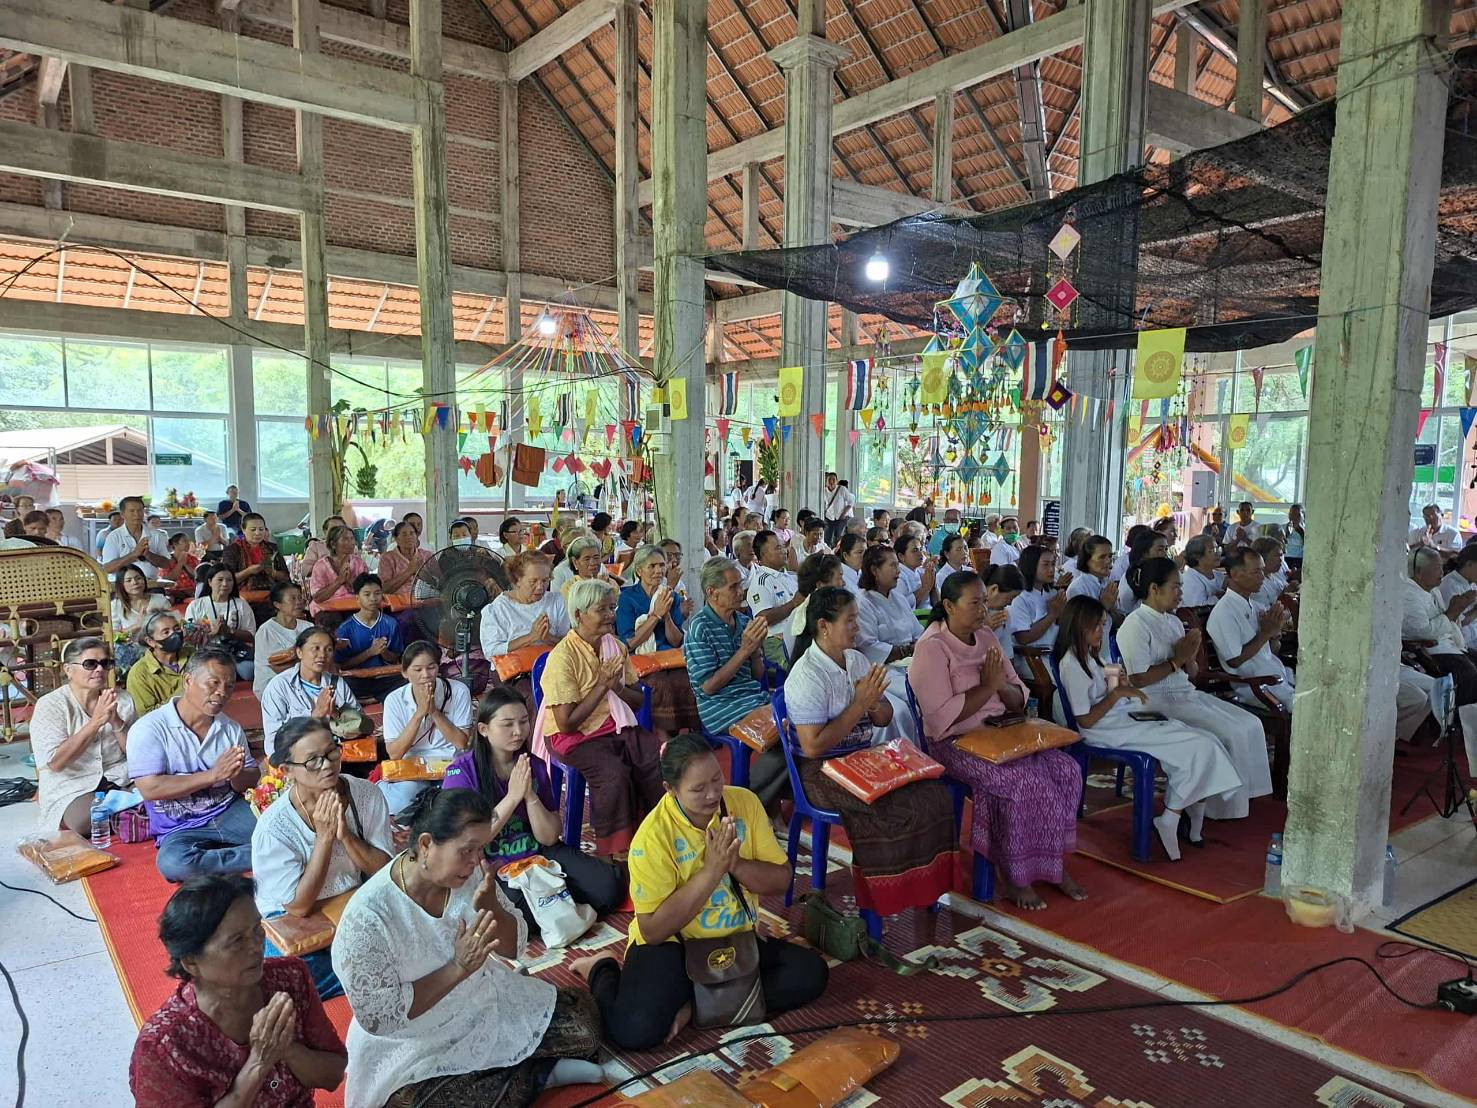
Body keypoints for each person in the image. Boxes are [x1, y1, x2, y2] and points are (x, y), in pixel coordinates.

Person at [332, 788, 608, 1107]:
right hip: (413, 1044)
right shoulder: (367, 919)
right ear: (425, 845)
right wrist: (458, 969)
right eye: (467, 850)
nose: (476, 861)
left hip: (480, 1007)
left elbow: (512, 947)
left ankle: (518, 1073)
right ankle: (539, 1075)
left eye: (480, 849)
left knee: (585, 1025)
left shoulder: (471, 872)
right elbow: (381, 1018)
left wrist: (493, 906)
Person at [576, 735, 828, 1051]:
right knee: (633, 1031)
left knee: (810, 975)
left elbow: (781, 880)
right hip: (672, 946)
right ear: (671, 790)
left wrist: (734, 863)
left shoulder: (744, 804)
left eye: (716, 779)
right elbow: (653, 930)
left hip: (733, 938)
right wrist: (711, 872)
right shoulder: (653, 837)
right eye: (697, 789)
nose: (712, 794)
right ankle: (602, 968)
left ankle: (695, 1004)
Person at [911, 570, 1084, 909]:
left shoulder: (987, 637)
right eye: (974, 603)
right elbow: (941, 717)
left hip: (1003, 731)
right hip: (956, 744)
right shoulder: (932, 648)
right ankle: (1013, 874)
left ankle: (1053, 864)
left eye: (983, 603)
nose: (982, 610)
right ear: (947, 605)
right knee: (1023, 782)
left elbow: (1018, 695)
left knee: (1066, 770)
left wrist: (1000, 687)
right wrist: (988, 687)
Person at [785, 586, 956, 910]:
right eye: (850, 621)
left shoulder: (856, 660)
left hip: (860, 758)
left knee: (932, 794)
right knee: (887, 810)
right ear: (824, 626)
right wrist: (858, 704)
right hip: (820, 772)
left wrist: (875, 706)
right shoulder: (806, 675)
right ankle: (882, 898)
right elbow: (812, 746)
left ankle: (922, 888)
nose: (857, 629)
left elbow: (884, 717)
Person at [129, 875, 347, 1107]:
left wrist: (287, 1049)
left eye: (257, 930)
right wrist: (259, 1062)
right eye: (236, 941)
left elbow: (333, 1075)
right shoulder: (165, 1044)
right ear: (191, 961)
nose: (256, 946)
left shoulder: (289, 978)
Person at [1054, 596, 1241, 862]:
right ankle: (1174, 815)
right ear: (1077, 627)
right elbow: (1085, 720)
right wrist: (1117, 694)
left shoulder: (1092, 656)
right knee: (1195, 743)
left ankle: (1184, 812)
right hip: (1103, 730)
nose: (1100, 632)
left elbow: (1110, 686)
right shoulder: (1071, 664)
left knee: (1204, 739)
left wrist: (1121, 683)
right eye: (1094, 627)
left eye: (1103, 625)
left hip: (1120, 719)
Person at [443, 686, 623, 925]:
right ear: (484, 729)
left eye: (524, 721)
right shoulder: (462, 771)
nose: (518, 732)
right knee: (518, 915)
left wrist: (529, 797)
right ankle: (560, 898)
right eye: (507, 724)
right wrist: (513, 796)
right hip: (490, 861)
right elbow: (469, 839)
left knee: (610, 889)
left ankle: (557, 897)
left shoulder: (533, 765)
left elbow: (548, 837)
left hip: (538, 854)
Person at [1118, 557, 1272, 821]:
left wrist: (1190, 655)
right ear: (1154, 589)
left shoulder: (1175, 622)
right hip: (1154, 700)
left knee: (1250, 723)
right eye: (1176, 587)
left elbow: (1192, 673)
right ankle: (1219, 808)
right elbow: (1139, 679)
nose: (1181, 594)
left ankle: (1242, 797)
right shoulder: (1135, 624)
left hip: (1184, 694)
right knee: (1230, 732)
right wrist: (1177, 659)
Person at [252, 717, 394, 999]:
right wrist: (324, 839)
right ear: (287, 771)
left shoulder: (365, 794)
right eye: (313, 761)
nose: (327, 765)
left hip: (352, 901)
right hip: (295, 919)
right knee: (286, 974)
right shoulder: (274, 827)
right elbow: (298, 907)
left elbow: (384, 872)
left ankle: (363, 969)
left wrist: (346, 836)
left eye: (331, 752)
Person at [535, 578, 663, 857]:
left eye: (612, 608)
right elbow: (567, 724)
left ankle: (655, 830)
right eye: (602, 610)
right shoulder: (563, 657)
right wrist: (603, 685)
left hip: (612, 725)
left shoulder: (614, 646)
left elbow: (638, 700)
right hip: (570, 736)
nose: (611, 615)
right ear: (579, 615)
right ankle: (616, 847)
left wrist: (616, 687)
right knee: (612, 773)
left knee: (653, 756)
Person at [128, 648, 261, 881]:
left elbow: (248, 780)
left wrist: (236, 775)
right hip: (180, 826)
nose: (222, 692)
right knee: (174, 864)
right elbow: (150, 788)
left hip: (228, 811)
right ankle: (262, 854)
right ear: (188, 681)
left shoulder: (229, 729)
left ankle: (226, 857)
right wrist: (213, 775)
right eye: (213, 683)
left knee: (283, 830)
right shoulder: (150, 728)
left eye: (229, 686)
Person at [684, 558, 787, 806]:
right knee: (788, 733)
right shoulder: (699, 628)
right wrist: (744, 650)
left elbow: (757, 676)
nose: (741, 591)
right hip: (720, 707)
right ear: (712, 592)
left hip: (750, 698)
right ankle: (749, 802)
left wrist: (755, 651)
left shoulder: (742, 622)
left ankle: (762, 803)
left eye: (740, 585)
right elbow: (708, 687)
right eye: (733, 587)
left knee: (802, 723)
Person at [30, 636, 134, 835]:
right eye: (90, 664)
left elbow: (136, 754)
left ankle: (130, 811)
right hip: (73, 782)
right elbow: (55, 763)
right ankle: (133, 812)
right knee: (86, 821)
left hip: (119, 775)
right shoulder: (51, 705)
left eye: (105, 663)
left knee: (162, 793)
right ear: (68, 670)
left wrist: (116, 722)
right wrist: (95, 722)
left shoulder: (123, 699)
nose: (99, 669)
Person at [616, 544, 702, 734]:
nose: (659, 571)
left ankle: (693, 734)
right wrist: (655, 616)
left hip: (669, 657)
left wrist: (667, 615)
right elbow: (630, 643)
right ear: (639, 570)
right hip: (640, 659)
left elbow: (676, 640)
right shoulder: (628, 597)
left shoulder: (670, 596)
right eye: (652, 566)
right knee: (661, 685)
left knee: (691, 678)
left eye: (662, 565)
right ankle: (666, 734)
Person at [379, 641, 474, 812]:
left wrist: (434, 712)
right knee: (403, 798)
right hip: (411, 766)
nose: (426, 675)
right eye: (417, 670)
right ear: (405, 673)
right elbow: (394, 753)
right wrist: (419, 713)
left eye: (431, 668)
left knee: (458, 801)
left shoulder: (458, 691)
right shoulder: (394, 700)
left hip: (449, 762)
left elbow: (461, 743)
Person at [1402, 546, 1477, 750]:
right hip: (1428, 650)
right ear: (1419, 572)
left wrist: (1456, 611)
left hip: (1447, 643)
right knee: (1469, 673)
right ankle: (1455, 729)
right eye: (1437, 568)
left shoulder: (1431, 589)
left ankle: (1471, 728)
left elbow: (1446, 618)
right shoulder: (1409, 594)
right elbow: (1423, 631)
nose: (1442, 573)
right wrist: (1453, 611)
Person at [1207, 547, 1295, 710]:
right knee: (1305, 710)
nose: (1262, 577)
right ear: (1234, 575)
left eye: (1262, 571)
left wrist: (1274, 634)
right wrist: (1265, 633)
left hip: (1275, 676)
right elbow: (1235, 661)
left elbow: (1271, 652)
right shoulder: (1224, 612)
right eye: (1256, 572)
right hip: (1253, 686)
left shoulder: (1256, 606)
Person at [260, 627, 363, 753]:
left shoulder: (337, 684)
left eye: (329, 650)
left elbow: (363, 726)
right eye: (316, 648)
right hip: (299, 759)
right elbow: (273, 744)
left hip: (337, 754)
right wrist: (316, 714)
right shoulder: (279, 687)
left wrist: (337, 714)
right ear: (299, 652)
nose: (322, 655)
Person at [333, 573, 405, 701]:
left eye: (377, 593)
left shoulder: (390, 623)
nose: (373, 598)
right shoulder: (345, 628)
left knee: (407, 678)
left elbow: (395, 659)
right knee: (343, 683)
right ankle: (379, 697)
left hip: (384, 677)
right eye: (367, 594)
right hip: (358, 679)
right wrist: (370, 652)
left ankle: (370, 699)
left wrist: (384, 652)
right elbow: (342, 665)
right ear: (357, 598)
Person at [185, 565, 257, 682]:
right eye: (220, 580)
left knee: (249, 671)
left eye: (229, 580)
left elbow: (251, 635)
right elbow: (188, 637)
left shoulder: (241, 605)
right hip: (206, 654)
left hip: (235, 654)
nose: (225, 584)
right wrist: (212, 633)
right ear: (209, 582)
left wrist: (230, 632)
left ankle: (223, 673)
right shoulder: (196, 605)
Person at [855, 544, 922, 663]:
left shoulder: (898, 597)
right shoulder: (863, 602)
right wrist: (905, 651)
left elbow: (918, 632)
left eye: (898, 565)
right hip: (884, 668)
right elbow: (868, 647)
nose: (898, 570)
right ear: (874, 570)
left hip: (912, 661)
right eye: (893, 565)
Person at [1006, 545, 1065, 681]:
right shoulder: (1020, 597)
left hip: (1055, 654)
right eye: (1045, 565)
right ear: (1031, 566)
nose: (1051, 570)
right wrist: (1052, 615)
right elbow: (1023, 638)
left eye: (1053, 564)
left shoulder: (1052, 594)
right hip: (1032, 658)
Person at [746, 529, 801, 665]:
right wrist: (793, 603)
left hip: (798, 636)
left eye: (783, 546)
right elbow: (762, 618)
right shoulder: (761, 582)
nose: (784, 551)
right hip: (776, 641)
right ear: (764, 555)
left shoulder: (790, 577)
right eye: (778, 548)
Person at [222, 514, 289, 619]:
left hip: (271, 597)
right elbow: (226, 579)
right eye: (253, 529)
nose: (257, 533)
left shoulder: (272, 548)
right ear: (243, 530)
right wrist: (248, 571)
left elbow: (286, 577)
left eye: (261, 529)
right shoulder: (232, 550)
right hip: (243, 598)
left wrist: (272, 572)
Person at [128, 611, 195, 717]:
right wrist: (186, 688)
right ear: (151, 641)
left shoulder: (193, 654)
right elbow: (148, 716)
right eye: (166, 632)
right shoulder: (139, 674)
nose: (174, 634)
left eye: (177, 629)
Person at [253, 582, 314, 696]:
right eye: (293, 599)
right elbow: (276, 667)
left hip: (306, 678)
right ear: (277, 604)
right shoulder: (266, 631)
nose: (299, 602)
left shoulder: (308, 627)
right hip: (274, 683)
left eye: (300, 598)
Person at [783, 553, 845, 661]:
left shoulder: (836, 609)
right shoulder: (800, 616)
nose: (843, 583)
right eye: (839, 577)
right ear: (820, 585)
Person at [100, 496, 173, 580]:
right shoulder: (114, 537)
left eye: (140, 510)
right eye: (132, 511)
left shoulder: (156, 535)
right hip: (121, 586)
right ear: (122, 514)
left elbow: (167, 564)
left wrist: (148, 555)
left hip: (150, 584)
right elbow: (108, 568)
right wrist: (134, 554)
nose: (137, 514)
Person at [307, 524, 367, 616]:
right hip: (328, 610)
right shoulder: (321, 566)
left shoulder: (359, 563)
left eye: (352, 538)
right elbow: (318, 598)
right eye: (345, 539)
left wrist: (351, 581)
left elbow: (367, 592)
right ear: (333, 544)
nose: (351, 543)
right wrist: (339, 581)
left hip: (354, 607)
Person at [1065, 534, 1122, 612]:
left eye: (1110, 556)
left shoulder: (1107, 583)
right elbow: (1081, 622)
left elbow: (1120, 618)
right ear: (1087, 560)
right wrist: (1103, 606)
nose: (1108, 561)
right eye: (1102, 557)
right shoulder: (1077, 588)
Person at [377, 521, 432, 600]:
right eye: (404, 534)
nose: (409, 537)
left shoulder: (427, 555)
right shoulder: (387, 558)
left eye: (412, 533)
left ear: (416, 536)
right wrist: (409, 571)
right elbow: (384, 589)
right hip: (398, 605)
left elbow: (440, 584)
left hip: (426, 603)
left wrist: (422, 573)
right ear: (396, 539)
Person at [112, 563, 171, 636]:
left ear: (144, 580)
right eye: (129, 580)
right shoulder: (116, 605)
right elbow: (113, 636)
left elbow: (174, 623)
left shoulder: (159, 599)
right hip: (130, 646)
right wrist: (137, 625)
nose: (135, 582)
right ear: (121, 585)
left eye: (138, 578)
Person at [552, 533, 604, 599]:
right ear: (575, 562)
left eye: (596, 557)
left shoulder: (607, 583)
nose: (593, 563)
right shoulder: (569, 588)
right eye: (587, 559)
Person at [1179, 534, 1225, 608]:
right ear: (1197, 556)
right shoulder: (1190, 579)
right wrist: (1219, 596)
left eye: (1218, 549)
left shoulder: (1219, 576)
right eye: (1212, 550)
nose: (1218, 554)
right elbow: (1198, 609)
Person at [298, 515, 346, 582]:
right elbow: (305, 571)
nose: (337, 532)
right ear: (325, 531)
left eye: (341, 529)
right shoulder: (316, 547)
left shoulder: (351, 547)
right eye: (333, 529)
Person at [896, 532, 937, 606]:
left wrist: (932, 583)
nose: (920, 554)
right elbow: (907, 608)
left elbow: (935, 602)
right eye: (915, 550)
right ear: (901, 556)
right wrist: (925, 587)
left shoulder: (919, 571)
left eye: (920, 549)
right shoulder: (898, 577)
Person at [821, 470, 854, 545]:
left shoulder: (842, 489)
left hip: (841, 518)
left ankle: (838, 552)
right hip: (829, 517)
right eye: (829, 479)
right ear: (826, 481)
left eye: (833, 479)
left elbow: (851, 502)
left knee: (839, 536)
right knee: (827, 537)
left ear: (837, 481)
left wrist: (844, 513)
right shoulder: (823, 491)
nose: (831, 482)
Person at [1281, 503, 1305, 572]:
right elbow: (1279, 545)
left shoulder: (1308, 530)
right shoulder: (1282, 528)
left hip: (1300, 558)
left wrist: (1301, 533)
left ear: (1303, 516)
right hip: (1285, 558)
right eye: (1291, 514)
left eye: (1297, 515)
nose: (1293, 517)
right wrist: (1286, 534)